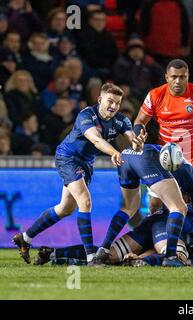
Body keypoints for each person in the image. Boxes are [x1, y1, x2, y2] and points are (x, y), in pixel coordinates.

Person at [12, 83, 146, 266]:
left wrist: (138, 143)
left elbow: (133, 140)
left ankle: (25, 238)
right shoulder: (86, 115)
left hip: (86, 163)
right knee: (85, 201)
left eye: (117, 103)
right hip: (68, 158)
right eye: (110, 101)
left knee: (65, 208)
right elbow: (96, 139)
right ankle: (91, 256)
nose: (113, 106)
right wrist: (114, 152)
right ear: (100, 100)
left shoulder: (121, 121)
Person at [96, 143, 193, 267]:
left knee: (128, 208)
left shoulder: (164, 168)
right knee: (179, 208)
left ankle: (102, 249)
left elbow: (154, 204)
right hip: (159, 226)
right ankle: (170, 257)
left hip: (126, 155)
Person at [134, 58, 193, 186]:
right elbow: (140, 120)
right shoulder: (155, 96)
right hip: (167, 152)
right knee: (156, 203)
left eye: (182, 77)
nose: (178, 81)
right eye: (174, 77)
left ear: (188, 77)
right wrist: (138, 135)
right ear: (167, 77)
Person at [33, 212, 193, 268]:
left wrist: (140, 255)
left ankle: (52, 253)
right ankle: (139, 263)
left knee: (108, 256)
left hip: (152, 231)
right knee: (176, 256)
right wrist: (141, 258)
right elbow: (167, 251)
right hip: (159, 224)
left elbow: (155, 247)